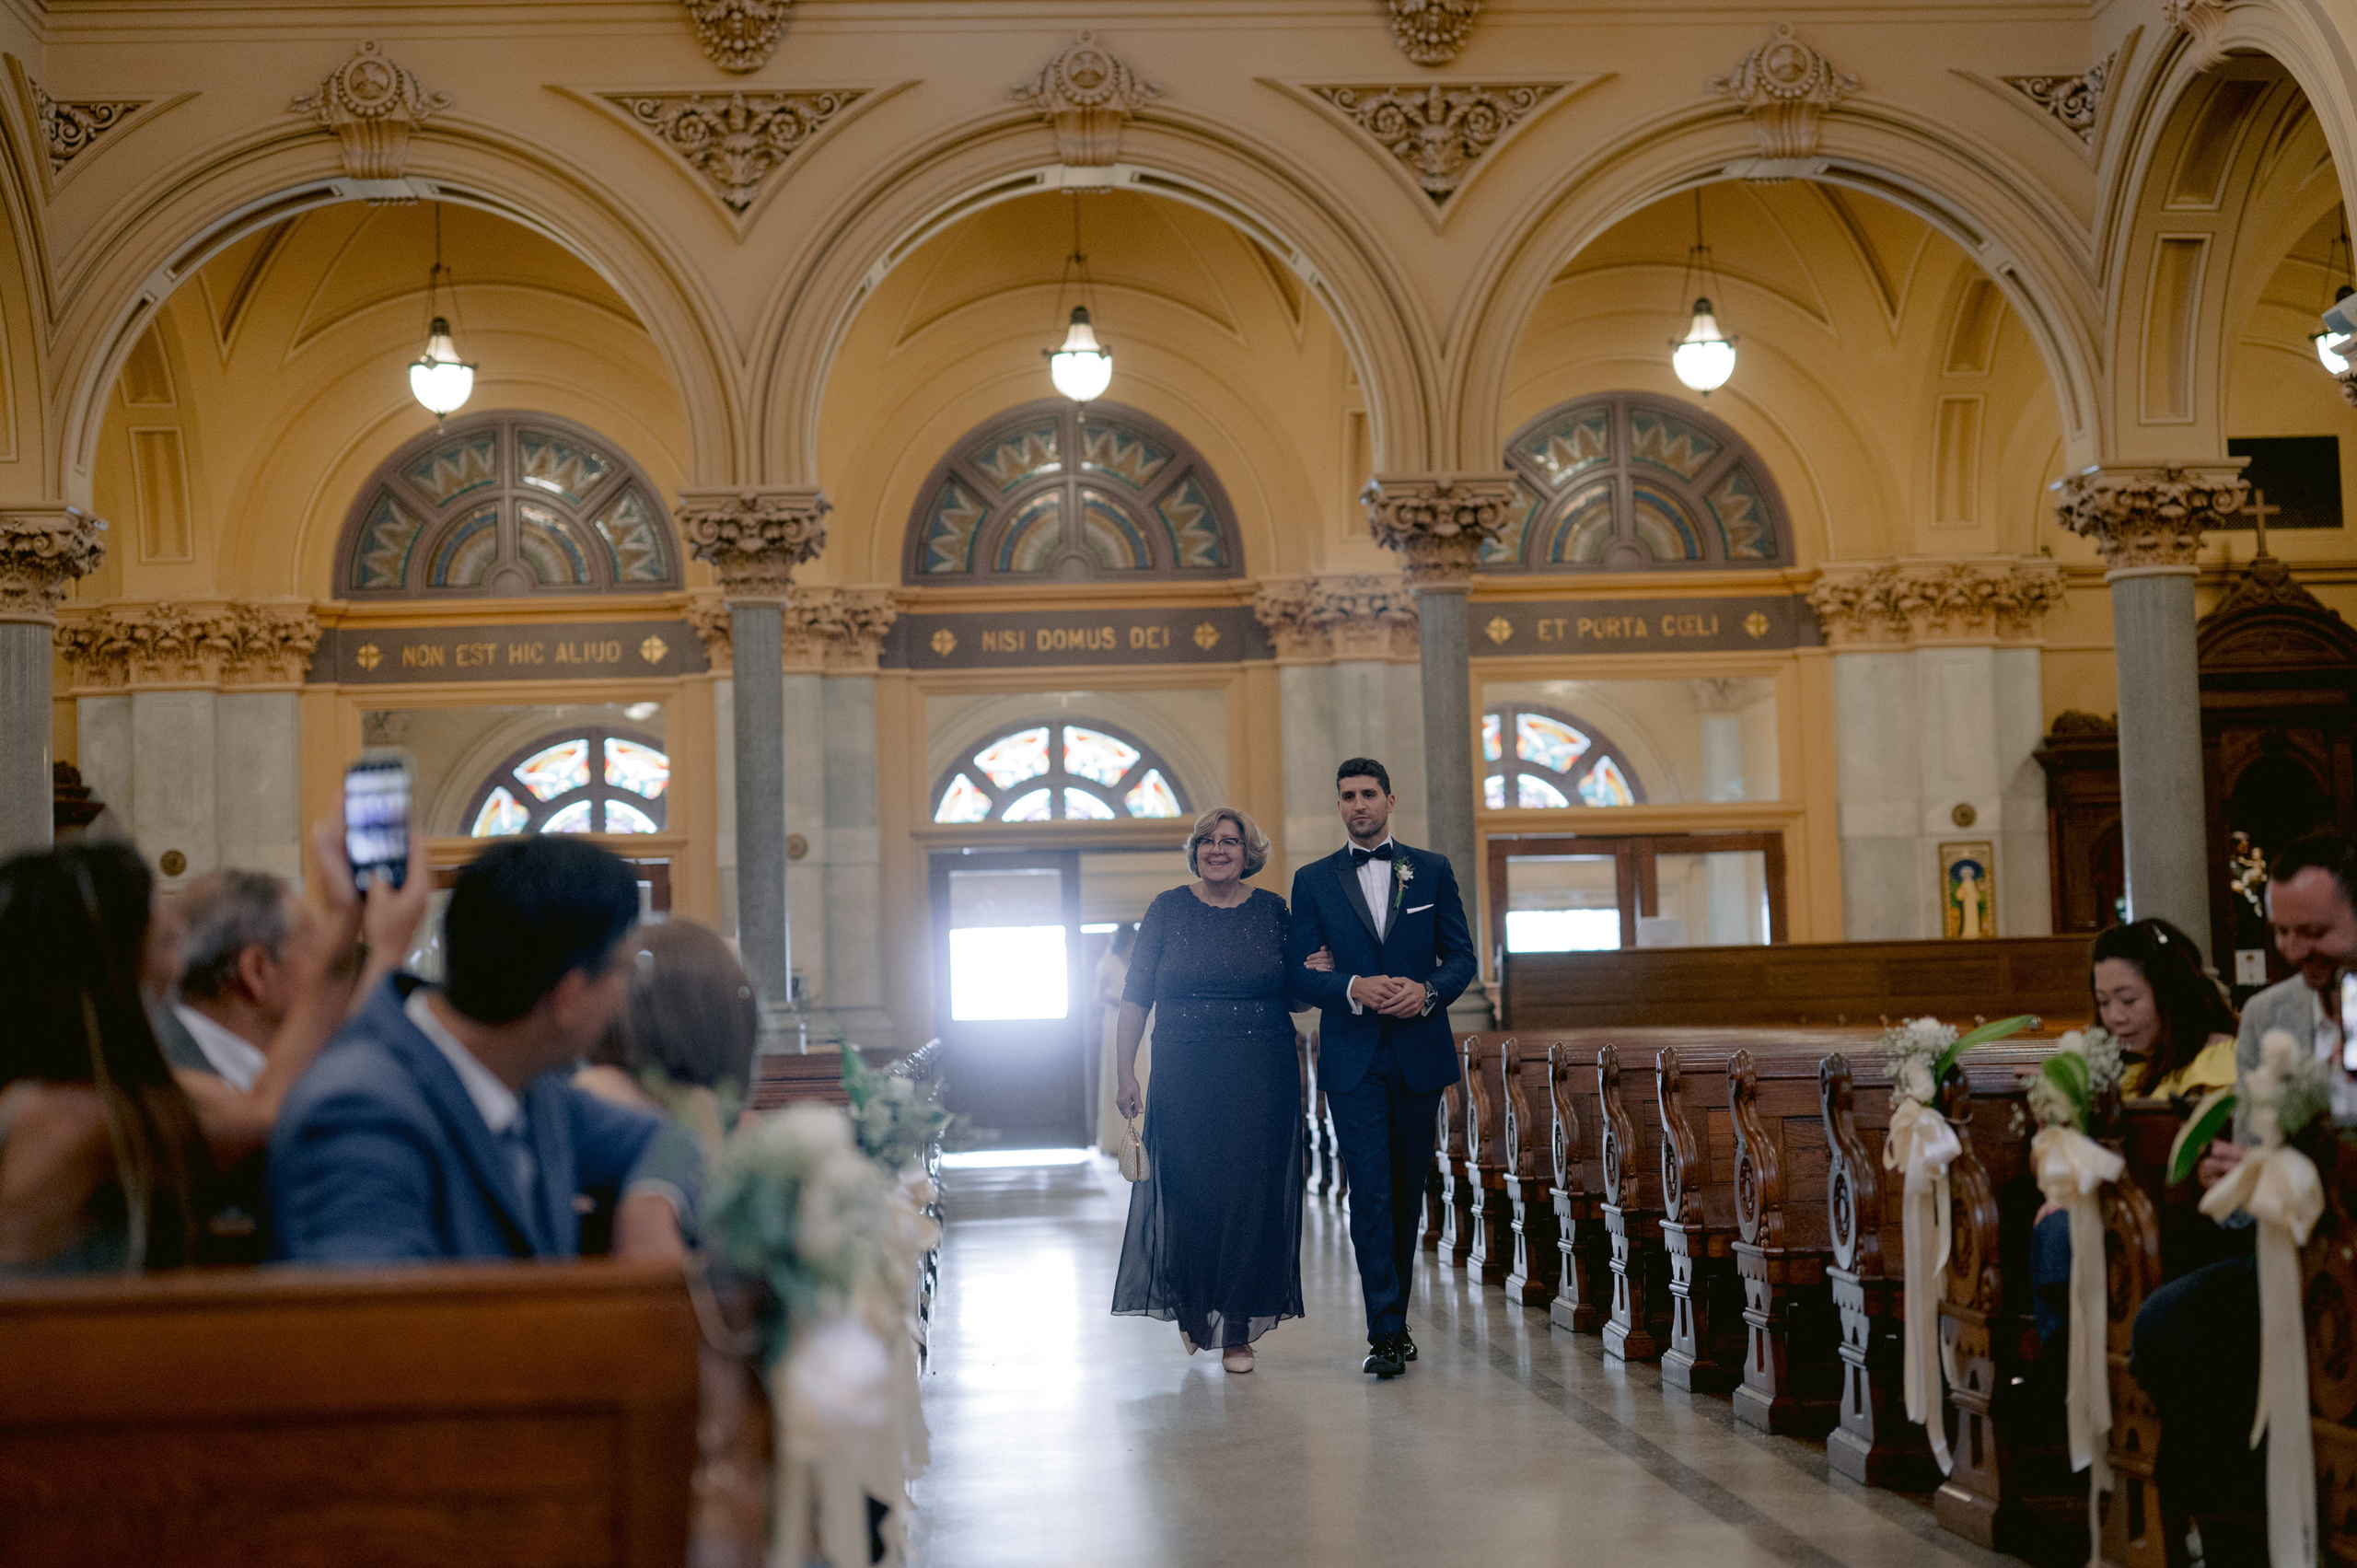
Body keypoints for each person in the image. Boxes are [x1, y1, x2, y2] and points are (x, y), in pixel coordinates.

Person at [0, 819, 407, 1275]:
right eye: (166, 942)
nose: (178, 967)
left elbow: (258, 1103)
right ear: (110, 966)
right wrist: (372, 936)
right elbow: (269, 1122)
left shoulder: (82, 1090)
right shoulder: (71, 1120)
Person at [269, 835, 700, 1264]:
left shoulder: (529, 1083)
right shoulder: (358, 1114)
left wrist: (650, 1206)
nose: (625, 997)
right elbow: (375, 1324)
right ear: (568, 997)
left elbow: (669, 1142)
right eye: (622, 971)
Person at [2131, 832, 2357, 1560]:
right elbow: (2251, 1165)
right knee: (2171, 1321)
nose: (2295, 949)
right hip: (2289, 1255)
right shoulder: (2269, 1015)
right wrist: (2228, 1178)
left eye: (2315, 930)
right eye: (2283, 931)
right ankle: (2240, 1527)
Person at [1284, 757, 1478, 1378]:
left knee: (1405, 1190)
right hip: (1353, 1055)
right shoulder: (1313, 880)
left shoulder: (1432, 870)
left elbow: (1462, 958)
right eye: (1347, 796)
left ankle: (1395, 1315)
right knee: (1367, 1191)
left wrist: (1425, 991)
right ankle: (1386, 1329)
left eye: (1369, 794)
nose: (1358, 804)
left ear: (1390, 800)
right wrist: (1351, 986)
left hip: (1419, 1048)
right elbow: (1300, 974)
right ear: (1338, 804)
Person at [1110, 806, 1304, 1374]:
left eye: (1231, 842)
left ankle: (1238, 1327)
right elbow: (1134, 995)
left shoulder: (1273, 911)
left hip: (1261, 1068)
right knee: (1191, 1190)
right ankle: (1195, 1308)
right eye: (1208, 841)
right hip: (1184, 1068)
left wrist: (1319, 968)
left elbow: (1297, 995)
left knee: (1249, 1192)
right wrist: (1127, 1071)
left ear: (1249, 854)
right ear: (1195, 851)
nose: (1218, 850)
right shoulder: (1168, 908)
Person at [2030, 917, 2239, 1341]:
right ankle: (2066, 1364)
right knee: (2054, 1223)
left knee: (2059, 1231)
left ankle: (2065, 1367)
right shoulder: (2116, 1071)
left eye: (2128, 999)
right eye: (2104, 1002)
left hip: (2186, 1232)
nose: (2114, 1018)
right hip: (2117, 1223)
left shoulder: (2218, 1061)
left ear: (2171, 994)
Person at [1091, 923, 1145, 1155]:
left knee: (1141, 1070)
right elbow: (1098, 996)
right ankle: (1115, 1136)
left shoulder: (1134, 962)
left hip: (1135, 1019)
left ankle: (1140, 1130)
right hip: (1114, 1019)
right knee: (1118, 1074)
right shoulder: (1108, 963)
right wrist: (1123, 1004)